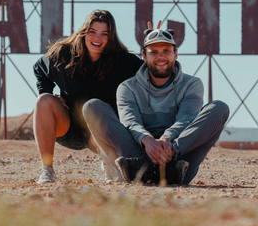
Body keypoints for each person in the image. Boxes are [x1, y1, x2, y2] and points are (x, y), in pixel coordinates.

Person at [82, 26, 229, 185]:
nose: (161, 57)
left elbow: (187, 118)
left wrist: (168, 142)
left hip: (179, 164)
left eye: (166, 51)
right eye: (153, 52)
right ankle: (140, 168)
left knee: (219, 108)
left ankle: (170, 167)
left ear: (175, 54)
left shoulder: (191, 84)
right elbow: (130, 121)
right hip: (136, 158)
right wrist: (147, 140)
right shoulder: (128, 87)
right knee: (92, 107)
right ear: (144, 56)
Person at [33, 10, 143, 183]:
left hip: (102, 134)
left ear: (111, 37)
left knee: (95, 110)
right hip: (69, 128)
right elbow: (39, 67)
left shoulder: (123, 62)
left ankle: (110, 165)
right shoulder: (63, 54)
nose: (97, 38)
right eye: (92, 32)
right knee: (44, 100)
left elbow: (149, 72)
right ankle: (47, 170)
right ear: (84, 33)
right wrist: (46, 91)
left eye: (104, 34)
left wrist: (153, 44)